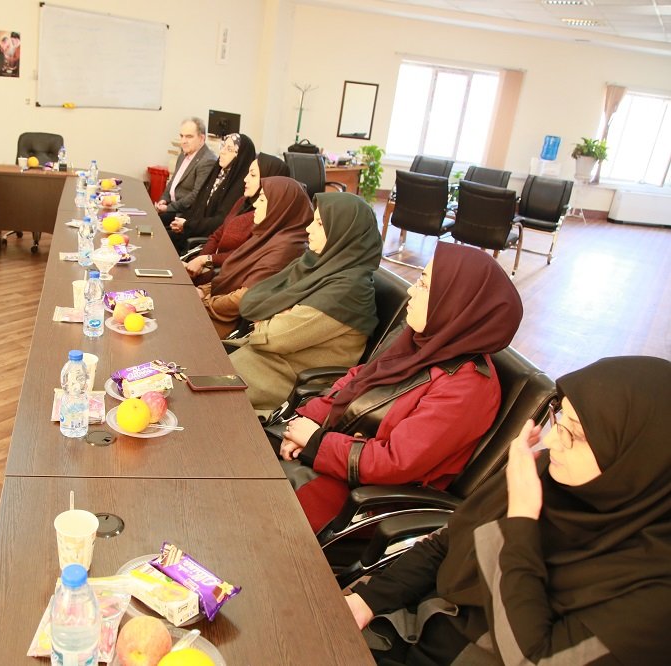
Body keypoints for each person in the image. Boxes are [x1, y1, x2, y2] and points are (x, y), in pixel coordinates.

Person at [345, 356, 671, 665]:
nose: (552, 442)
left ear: (639, 463)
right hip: (414, 624)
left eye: (576, 434)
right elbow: (446, 542)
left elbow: (532, 658)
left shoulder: (655, 596)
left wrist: (521, 521)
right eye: (560, 418)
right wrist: (369, 600)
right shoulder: (550, 474)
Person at [279, 243, 523, 533]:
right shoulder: (421, 339)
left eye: (424, 284)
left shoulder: (467, 387)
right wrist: (308, 422)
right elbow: (358, 378)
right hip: (336, 454)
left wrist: (316, 443)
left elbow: (395, 463)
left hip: (366, 497)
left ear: (455, 301)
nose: (411, 290)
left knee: (256, 511)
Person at [227, 192, 383, 413]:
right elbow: (256, 299)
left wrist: (268, 318)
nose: (309, 229)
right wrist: (278, 313)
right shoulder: (318, 265)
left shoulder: (348, 291)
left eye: (319, 224)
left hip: (278, 377)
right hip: (256, 358)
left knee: (189, 389)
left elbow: (274, 337)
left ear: (342, 232)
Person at [198, 176, 311, 338]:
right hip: (215, 305)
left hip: (225, 321)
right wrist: (203, 290)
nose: (256, 204)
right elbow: (232, 275)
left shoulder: (287, 247)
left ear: (279, 206)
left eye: (262, 199)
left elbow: (244, 297)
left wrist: (204, 302)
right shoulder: (267, 233)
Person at [184, 152, 289, 284]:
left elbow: (244, 254)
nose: (245, 179)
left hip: (225, 275)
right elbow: (217, 235)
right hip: (209, 265)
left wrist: (207, 260)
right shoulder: (243, 201)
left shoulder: (265, 215)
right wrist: (200, 260)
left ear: (269, 180)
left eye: (253, 175)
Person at [167, 133, 256, 254]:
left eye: (229, 149)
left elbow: (221, 222)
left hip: (206, 240)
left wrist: (188, 225)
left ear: (240, 156)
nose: (222, 152)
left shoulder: (241, 186)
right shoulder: (218, 173)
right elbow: (198, 205)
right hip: (193, 230)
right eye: (223, 146)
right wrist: (183, 221)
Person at [155, 117, 216, 225]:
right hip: (171, 207)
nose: (183, 141)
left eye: (189, 137)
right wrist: (163, 199)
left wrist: (168, 208)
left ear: (202, 138)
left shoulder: (208, 161)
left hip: (183, 214)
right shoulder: (183, 155)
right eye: (181, 136)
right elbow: (173, 182)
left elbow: (196, 195)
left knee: (152, 224)